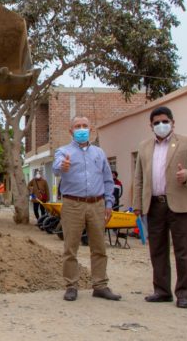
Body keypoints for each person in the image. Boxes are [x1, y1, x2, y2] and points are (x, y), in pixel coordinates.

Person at [133, 106, 187, 309]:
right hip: (154, 205)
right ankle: (162, 291)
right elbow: (139, 178)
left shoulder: (186, 142)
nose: (160, 125)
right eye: (156, 123)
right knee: (158, 250)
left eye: (164, 121)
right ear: (151, 126)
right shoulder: (145, 146)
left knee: (184, 252)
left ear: (173, 122)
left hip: (180, 205)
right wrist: (138, 204)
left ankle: (184, 294)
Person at [52, 116, 121, 302]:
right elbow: (56, 167)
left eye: (84, 126)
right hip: (73, 204)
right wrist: (62, 165)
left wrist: (109, 203)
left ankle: (100, 285)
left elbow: (108, 180)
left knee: (99, 246)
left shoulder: (99, 153)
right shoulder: (63, 152)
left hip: (97, 204)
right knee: (70, 247)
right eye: (77, 126)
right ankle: (71, 286)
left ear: (91, 130)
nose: (81, 129)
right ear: (70, 131)